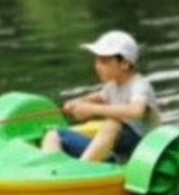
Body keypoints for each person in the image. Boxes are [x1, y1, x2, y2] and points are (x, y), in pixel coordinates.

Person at [40, 30, 160, 162]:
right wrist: (77, 103)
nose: (97, 66)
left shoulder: (139, 85)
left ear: (125, 64)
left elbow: (136, 111)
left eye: (104, 61)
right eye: (97, 61)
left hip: (144, 154)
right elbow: (98, 98)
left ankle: (82, 168)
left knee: (112, 124)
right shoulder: (112, 86)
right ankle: (52, 170)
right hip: (116, 153)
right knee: (54, 135)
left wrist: (91, 109)